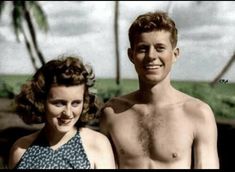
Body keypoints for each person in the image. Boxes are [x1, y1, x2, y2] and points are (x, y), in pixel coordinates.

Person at [99, 11, 219, 169]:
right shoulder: (112, 113)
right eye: (142, 49)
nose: (151, 56)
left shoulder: (197, 114)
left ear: (175, 54)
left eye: (160, 48)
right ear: (131, 55)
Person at [8, 55, 115, 169]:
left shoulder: (97, 144)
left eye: (76, 103)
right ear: (40, 101)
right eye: (59, 103)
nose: (68, 113)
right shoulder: (21, 149)